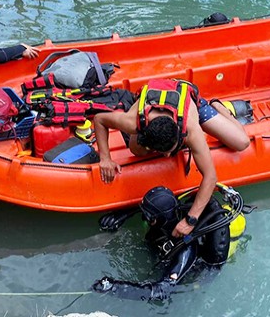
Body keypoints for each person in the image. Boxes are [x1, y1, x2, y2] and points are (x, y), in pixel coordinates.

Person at [93, 79, 251, 239]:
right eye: (162, 152)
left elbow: (210, 177)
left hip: (191, 103)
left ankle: (219, 107)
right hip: (151, 108)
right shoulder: (132, 122)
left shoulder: (191, 130)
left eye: (170, 151)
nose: (167, 156)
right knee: (136, 150)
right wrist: (105, 158)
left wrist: (190, 220)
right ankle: (152, 143)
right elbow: (99, 119)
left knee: (241, 142)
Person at [93, 184, 247, 301]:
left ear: (157, 220)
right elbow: (153, 210)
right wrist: (122, 215)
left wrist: (115, 287)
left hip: (190, 273)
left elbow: (161, 291)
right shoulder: (166, 221)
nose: (145, 219)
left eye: (149, 217)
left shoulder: (186, 249)